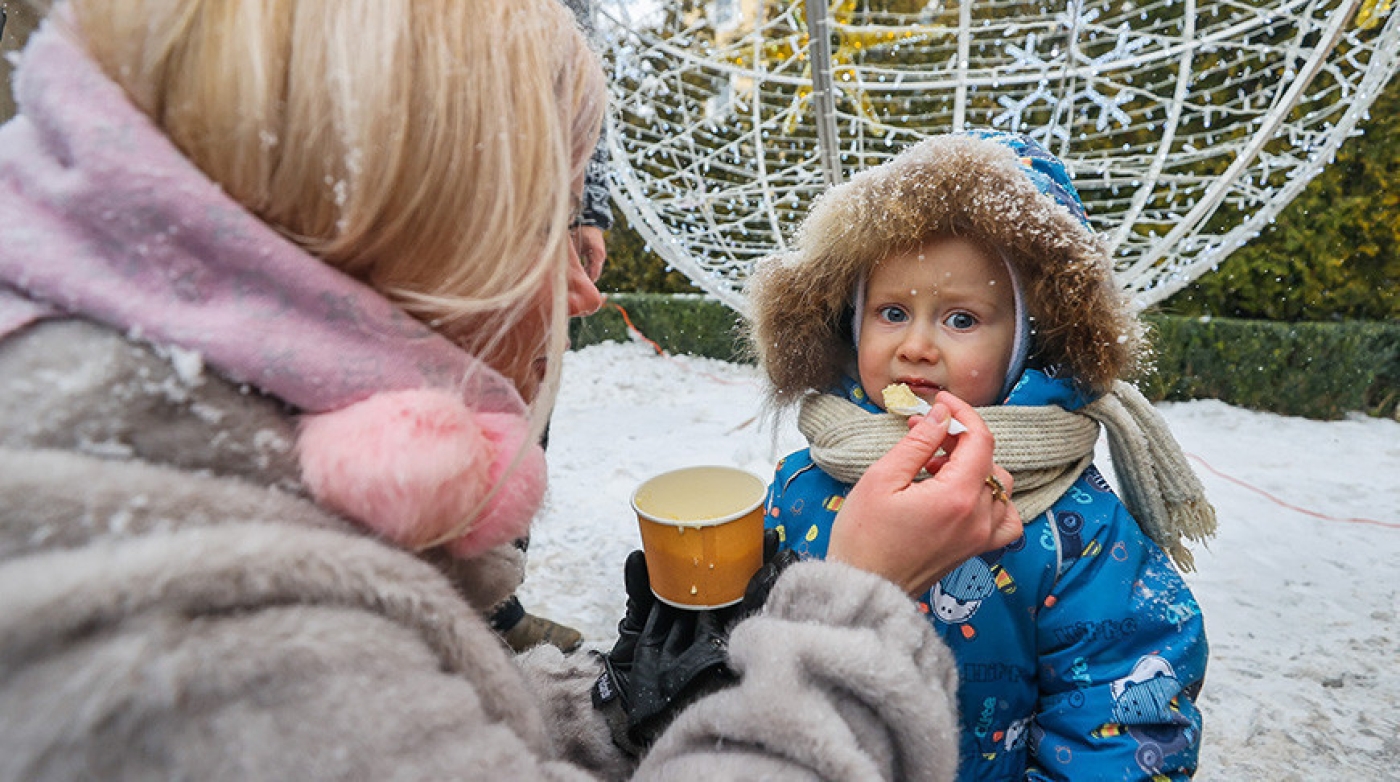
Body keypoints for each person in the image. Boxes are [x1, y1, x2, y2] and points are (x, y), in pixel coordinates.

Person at [0, 2, 1020, 779]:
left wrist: (614, 708)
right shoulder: (199, 639)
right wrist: (861, 612)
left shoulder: (140, 465)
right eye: (539, 221)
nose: (580, 288)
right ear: (412, 234)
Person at [747, 131, 1217, 781]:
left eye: (961, 319)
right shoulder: (803, 480)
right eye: (890, 311)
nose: (915, 346)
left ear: (1027, 342)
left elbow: (1122, 705)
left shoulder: (1073, 523)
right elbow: (752, 639)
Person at [487, 0, 620, 656]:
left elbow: (580, 86)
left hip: (538, 193)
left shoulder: (573, 33)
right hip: (473, 185)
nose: (587, 300)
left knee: (526, 404)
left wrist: (578, 209)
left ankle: (494, 599)